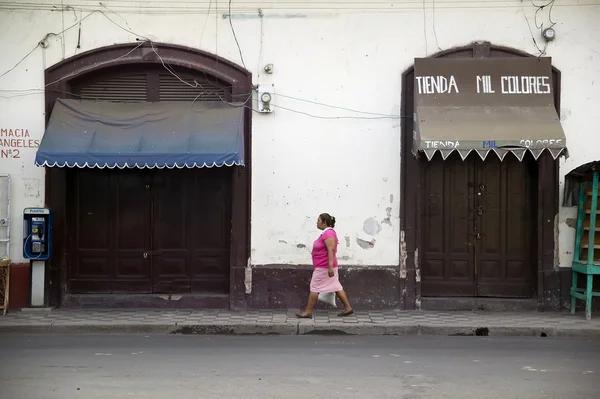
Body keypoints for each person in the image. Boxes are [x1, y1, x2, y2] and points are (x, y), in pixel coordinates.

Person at [297, 213, 354, 318]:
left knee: (314, 287)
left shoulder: (328, 234)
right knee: (336, 286)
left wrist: (330, 267)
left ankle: (308, 312)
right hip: (325, 266)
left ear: (324, 222)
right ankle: (348, 308)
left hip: (324, 267)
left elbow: (331, 250)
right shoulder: (325, 233)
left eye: (318, 220)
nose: (317, 222)